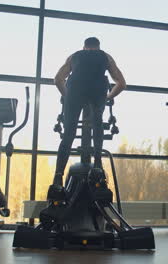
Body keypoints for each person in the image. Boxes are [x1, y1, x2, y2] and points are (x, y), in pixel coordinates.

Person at [48, 37, 126, 200]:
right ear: (98, 47)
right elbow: (121, 83)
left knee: (69, 133)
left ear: (84, 47)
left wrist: (68, 97)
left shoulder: (74, 56)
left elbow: (57, 79)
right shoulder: (106, 57)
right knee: (97, 121)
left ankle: (58, 175)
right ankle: (97, 164)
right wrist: (108, 97)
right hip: (98, 88)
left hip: (75, 88)